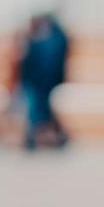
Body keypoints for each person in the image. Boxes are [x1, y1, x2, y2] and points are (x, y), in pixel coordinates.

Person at [18, 12, 70, 151]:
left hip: (41, 82)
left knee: (36, 111)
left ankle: (33, 138)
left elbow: (46, 65)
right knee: (39, 111)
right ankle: (36, 138)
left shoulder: (47, 41)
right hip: (35, 82)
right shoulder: (44, 40)